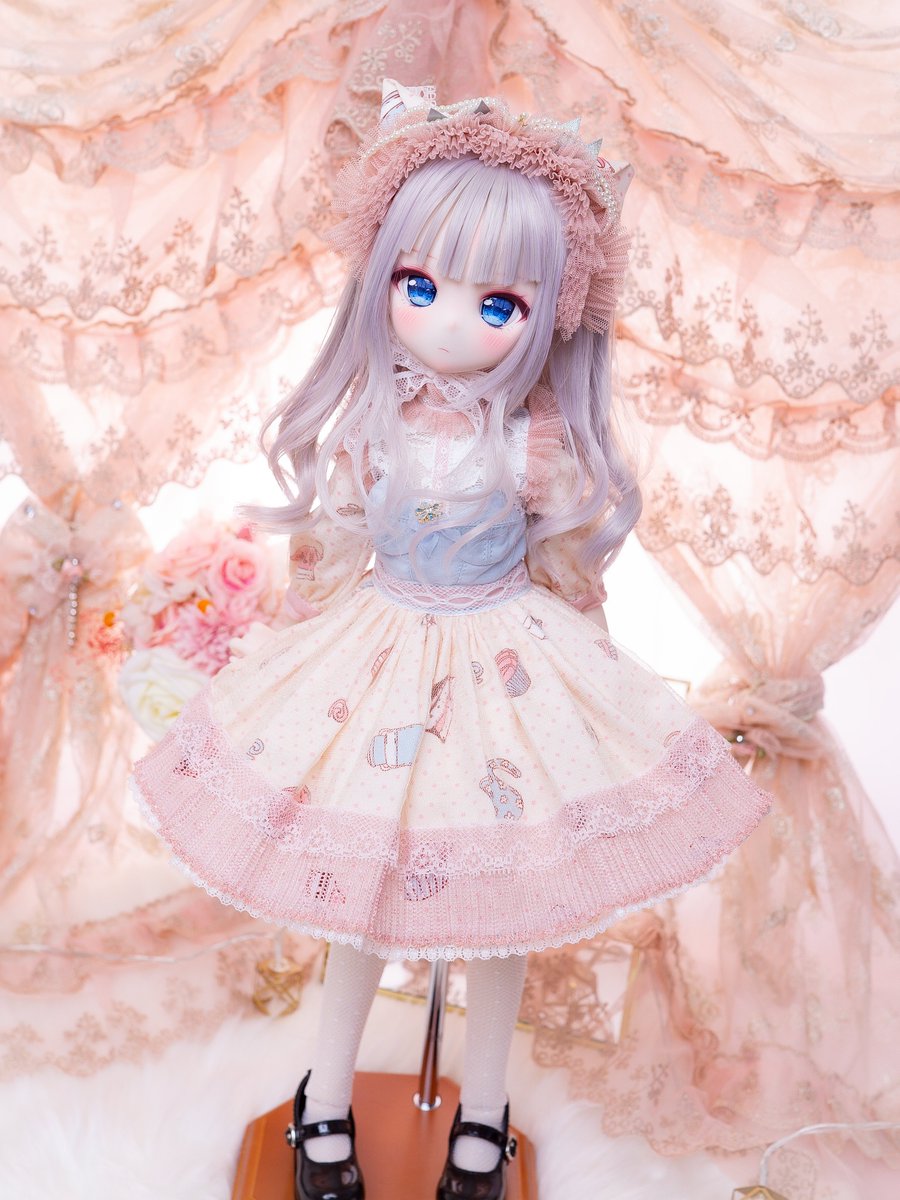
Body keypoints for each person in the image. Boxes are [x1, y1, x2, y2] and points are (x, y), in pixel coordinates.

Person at [132, 80, 772, 1200]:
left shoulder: (535, 445)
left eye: (498, 302)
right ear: (382, 278)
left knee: (501, 912)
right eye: (418, 285)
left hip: (502, 664)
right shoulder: (370, 427)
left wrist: (587, 691)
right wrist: (294, 660)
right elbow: (333, 551)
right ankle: (323, 1100)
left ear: (551, 312)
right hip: (378, 654)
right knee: (359, 902)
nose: (443, 321)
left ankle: (485, 1114)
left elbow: (568, 572)